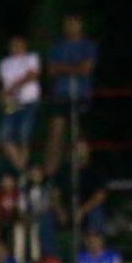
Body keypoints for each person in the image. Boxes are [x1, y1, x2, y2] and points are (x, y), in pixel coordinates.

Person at [46, 14, 98, 176]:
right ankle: (50, 175)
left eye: (74, 24)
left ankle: (83, 173)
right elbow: (51, 70)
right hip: (60, 94)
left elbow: (86, 69)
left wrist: (63, 68)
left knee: (80, 135)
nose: (70, 27)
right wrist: (74, 69)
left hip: (81, 94)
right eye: (67, 24)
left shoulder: (88, 46)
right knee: (56, 134)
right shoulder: (57, 46)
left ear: (81, 25)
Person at [0, 35, 41, 173]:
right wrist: (5, 94)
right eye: (13, 44)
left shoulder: (31, 57)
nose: (16, 47)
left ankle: (21, 171)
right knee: (5, 136)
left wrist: (14, 87)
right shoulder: (5, 63)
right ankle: (21, 169)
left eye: (19, 44)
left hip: (29, 101)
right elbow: (5, 84)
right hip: (12, 102)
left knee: (24, 135)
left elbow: (32, 74)